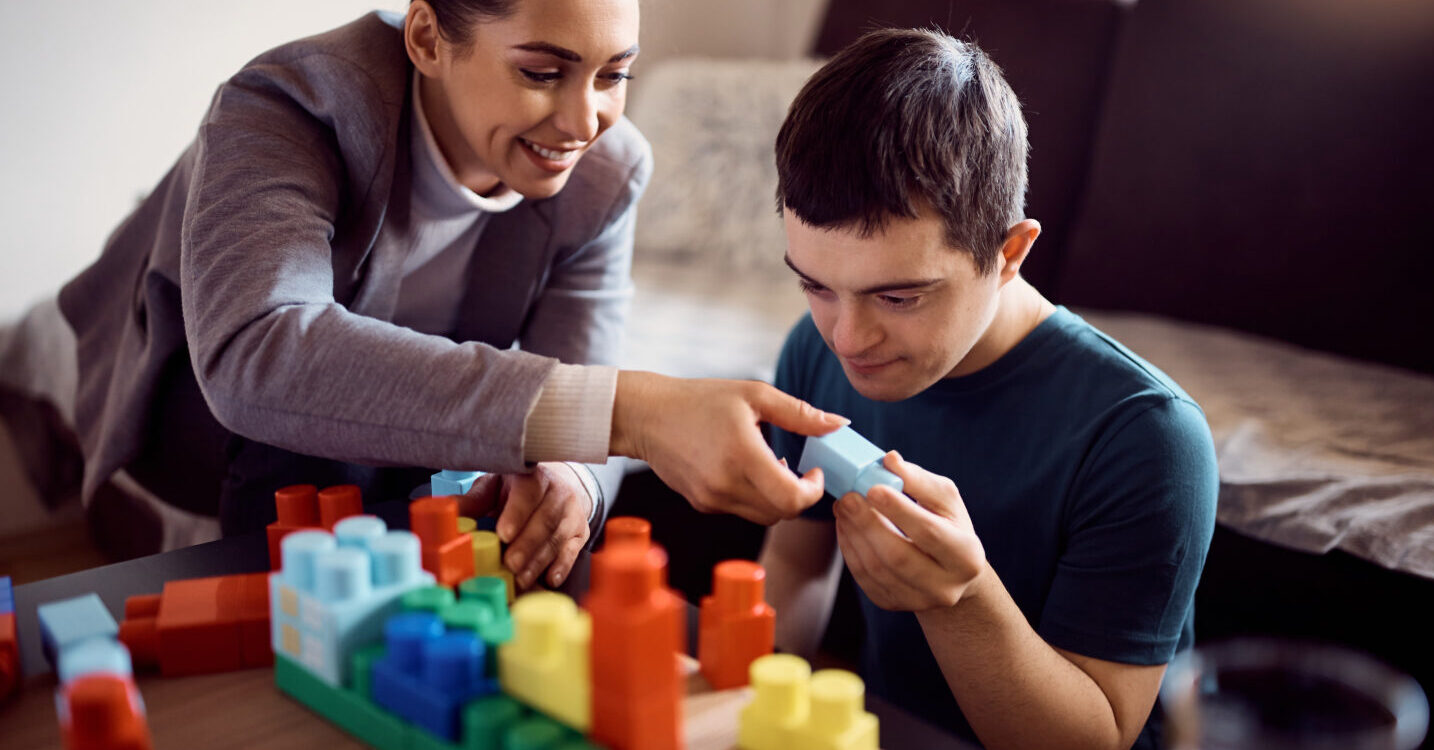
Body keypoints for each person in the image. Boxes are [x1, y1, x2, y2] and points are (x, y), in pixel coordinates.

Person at [52, 0, 841, 589]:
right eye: (541, 72)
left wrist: (572, 473)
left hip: (402, 439)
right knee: (328, 450)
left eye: (615, 75)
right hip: (216, 412)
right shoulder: (290, 103)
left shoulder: (607, 171)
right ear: (427, 39)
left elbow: (579, 366)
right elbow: (260, 351)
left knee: (528, 488)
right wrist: (633, 414)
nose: (584, 119)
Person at [759, 28, 1218, 749]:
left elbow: (1097, 738)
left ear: (1009, 253)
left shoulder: (1144, 435)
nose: (846, 339)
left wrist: (962, 600)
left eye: (899, 298)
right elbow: (794, 565)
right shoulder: (812, 357)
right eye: (816, 285)